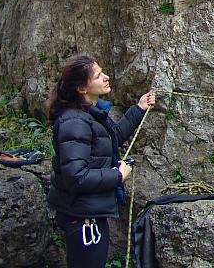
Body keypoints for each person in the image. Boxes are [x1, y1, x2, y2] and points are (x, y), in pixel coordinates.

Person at [46, 54, 155, 267]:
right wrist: (117, 175)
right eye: (98, 76)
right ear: (81, 88)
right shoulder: (75, 122)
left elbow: (112, 138)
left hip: (87, 213)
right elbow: (76, 176)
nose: (105, 77)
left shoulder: (89, 114)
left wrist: (139, 108)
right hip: (82, 217)